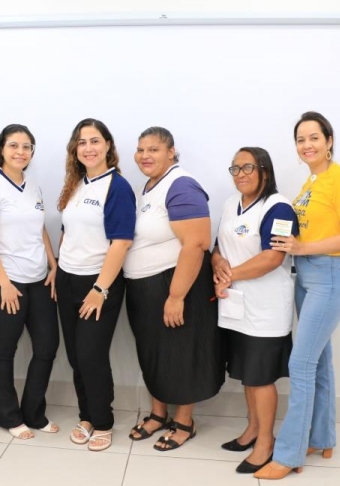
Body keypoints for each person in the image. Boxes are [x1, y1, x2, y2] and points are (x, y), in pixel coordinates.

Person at [255, 112, 340, 480]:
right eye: (301, 140)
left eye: (314, 137)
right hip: (307, 277)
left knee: (300, 365)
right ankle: (322, 437)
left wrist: (303, 248)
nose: (307, 145)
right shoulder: (310, 183)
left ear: (329, 140)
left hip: (330, 277)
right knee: (318, 363)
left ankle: (289, 454)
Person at [123, 126, 224, 451]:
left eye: (153, 149)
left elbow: (196, 244)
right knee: (153, 352)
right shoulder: (148, 188)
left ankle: (184, 422)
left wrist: (177, 296)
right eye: (140, 149)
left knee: (181, 353)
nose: (145, 155)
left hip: (175, 286)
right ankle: (158, 413)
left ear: (171, 152)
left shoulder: (181, 186)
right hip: (145, 287)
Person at [212, 147, 298, 473]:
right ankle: (251, 430)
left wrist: (229, 274)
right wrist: (218, 265)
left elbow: (272, 257)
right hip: (234, 304)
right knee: (247, 373)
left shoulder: (279, 207)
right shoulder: (229, 205)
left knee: (261, 378)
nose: (241, 174)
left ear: (264, 169)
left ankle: (266, 443)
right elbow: (218, 246)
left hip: (266, 308)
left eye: (248, 167)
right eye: (235, 168)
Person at [0, 124, 60, 440]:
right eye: (14, 145)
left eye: (26, 146)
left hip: (38, 279)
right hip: (3, 281)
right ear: (1, 149)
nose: (20, 151)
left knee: (48, 346)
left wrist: (53, 264)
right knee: (5, 349)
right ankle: (8, 416)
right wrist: (5, 284)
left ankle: (34, 413)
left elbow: (40, 229)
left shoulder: (33, 186)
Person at [55, 119, 136, 452]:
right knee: (76, 356)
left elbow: (121, 242)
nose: (88, 147)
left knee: (91, 355)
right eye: (82, 142)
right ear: (75, 149)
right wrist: (56, 269)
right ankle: (86, 415)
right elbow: (67, 232)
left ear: (107, 146)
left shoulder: (117, 186)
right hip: (67, 278)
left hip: (99, 282)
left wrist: (100, 289)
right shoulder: (75, 184)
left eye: (95, 141)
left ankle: (103, 421)